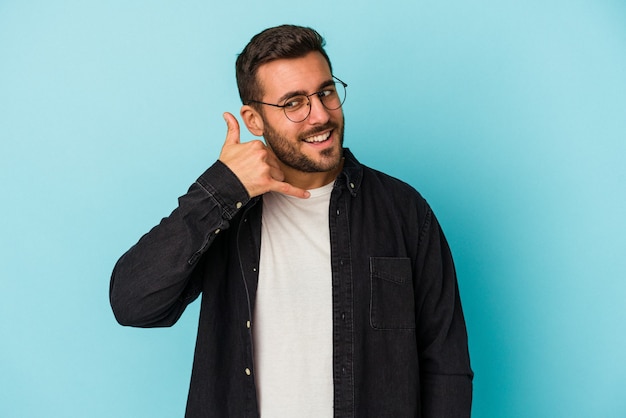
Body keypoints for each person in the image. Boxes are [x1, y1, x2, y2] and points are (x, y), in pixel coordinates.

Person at [110, 24, 473, 417]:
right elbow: (133, 304)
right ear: (253, 120)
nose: (319, 115)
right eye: (293, 103)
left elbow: (446, 366)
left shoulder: (404, 212)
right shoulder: (226, 215)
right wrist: (221, 189)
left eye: (326, 92)